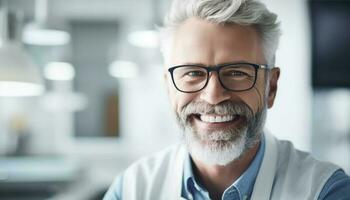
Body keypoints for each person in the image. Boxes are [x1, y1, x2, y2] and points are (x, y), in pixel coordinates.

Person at [104, 0, 350, 199]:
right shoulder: (131, 190)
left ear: (271, 87)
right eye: (193, 73)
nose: (213, 95)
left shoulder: (325, 191)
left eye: (237, 73)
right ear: (169, 88)